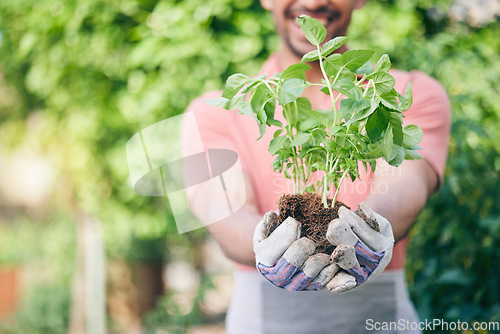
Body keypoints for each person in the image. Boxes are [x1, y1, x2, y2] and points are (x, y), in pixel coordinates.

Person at [181, 0, 451, 333]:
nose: (312, 1)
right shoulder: (214, 112)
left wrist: (368, 233)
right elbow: (224, 213)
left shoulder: (402, 95)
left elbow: (405, 185)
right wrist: (263, 244)